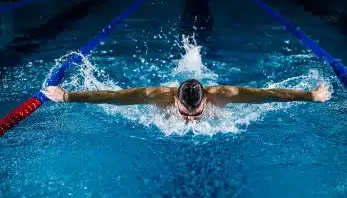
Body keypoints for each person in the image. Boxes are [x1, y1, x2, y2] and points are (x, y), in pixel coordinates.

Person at [41, 79, 330, 123]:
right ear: (175, 100)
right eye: (185, 111)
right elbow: (114, 97)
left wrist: (310, 95)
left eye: (196, 111)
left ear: (207, 98)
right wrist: (67, 96)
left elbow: (269, 95)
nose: (191, 118)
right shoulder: (157, 96)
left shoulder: (223, 94)